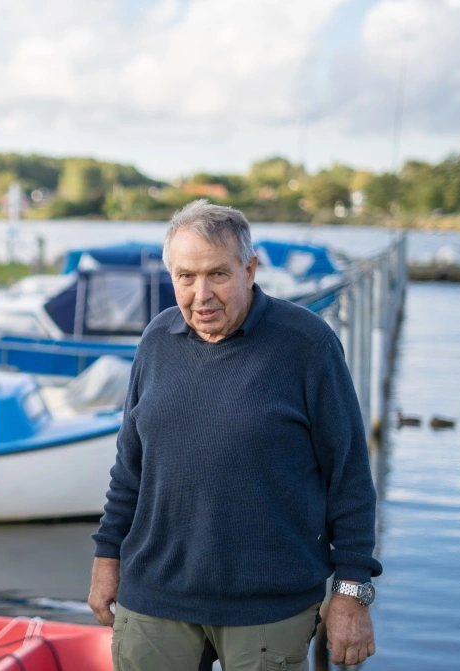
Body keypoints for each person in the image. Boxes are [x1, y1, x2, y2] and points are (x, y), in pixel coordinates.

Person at [88, 199, 382, 670]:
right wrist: (107, 562)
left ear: (249, 269)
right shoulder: (156, 341)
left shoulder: (308, 345)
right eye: (185, 277)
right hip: (154, 599)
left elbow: (349, 478)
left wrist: (351, 593)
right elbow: (129, 469)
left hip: (269, 608)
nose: (201, 294)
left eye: (217, 275)